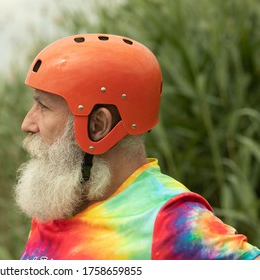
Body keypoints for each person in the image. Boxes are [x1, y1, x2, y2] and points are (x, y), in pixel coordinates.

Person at [14, 33, 260, 260]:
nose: (27, 123)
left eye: (43, 106)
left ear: (98, 126)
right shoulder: (60, 199)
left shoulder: (168, 220)